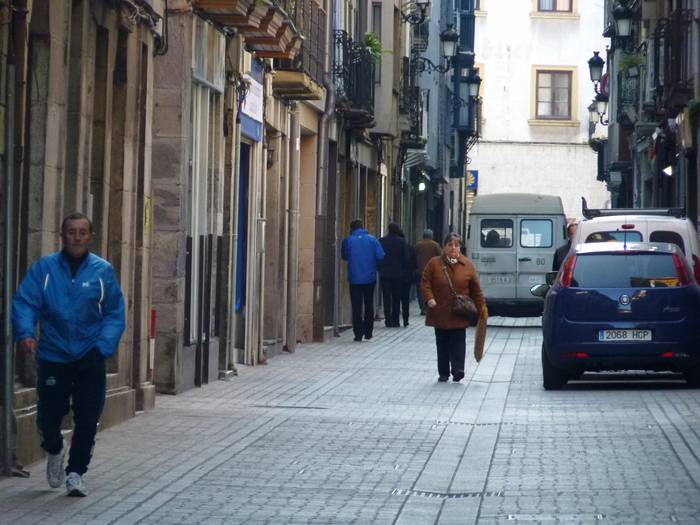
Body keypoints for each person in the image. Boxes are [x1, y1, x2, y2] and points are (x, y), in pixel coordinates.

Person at [12, 212, 126, 496]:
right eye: (71, 232)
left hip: (90, 354)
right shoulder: (45, 269)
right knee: (49, 417)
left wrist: (103, 346)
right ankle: (54, 449)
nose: (77, 237)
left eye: (82, 232)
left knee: (88, 417)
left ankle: (76, 472)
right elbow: (26, 301)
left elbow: (114, 312)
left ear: (90, 237)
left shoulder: (102, 271)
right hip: (54, 354)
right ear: (62, 236)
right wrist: (26, 333)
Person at [421, 232, 486, 383]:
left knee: (458, 341)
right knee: (442, 342)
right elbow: (425, 282)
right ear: (444, 247)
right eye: (450, 245)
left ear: (460, 247)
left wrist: (481, 306)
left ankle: (458, 369)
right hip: (440, 310)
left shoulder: (468, 265)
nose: (453, 248)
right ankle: (443, 372)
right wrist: (429, 298)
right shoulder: (434, 263)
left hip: (459, 311)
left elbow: (476, 289)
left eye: (456, 245)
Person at [341, 218, 385, 341]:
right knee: (369, 304)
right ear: (362, 227)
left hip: (354, 278)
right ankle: (368, 332)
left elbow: (344, 255)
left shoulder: (348, 240)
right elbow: (381, 255)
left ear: (351, 228)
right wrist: (373, 264)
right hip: (370, 278)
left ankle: (358, 333)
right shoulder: (372, 240)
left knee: (356, 306)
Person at [379, 223, 411, 327]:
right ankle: (395, 320)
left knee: (386, 297)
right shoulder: (401, 242)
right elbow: (406, 258)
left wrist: (381, 267)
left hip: (385, 274)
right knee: (396, 298)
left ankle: (388, 320)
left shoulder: (382, 241)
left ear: (388, 230)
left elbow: (379, 256)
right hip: (398, 274)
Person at [414, 229, 442, 315]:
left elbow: (414, 257)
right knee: (431, 289)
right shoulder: (435, 245)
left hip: (420, 271)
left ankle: (422, 308)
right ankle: (429, 306)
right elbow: (441, 256)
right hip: (432, 272)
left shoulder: (418, 245)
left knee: (420, 290)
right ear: (431, 236)